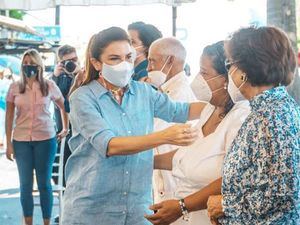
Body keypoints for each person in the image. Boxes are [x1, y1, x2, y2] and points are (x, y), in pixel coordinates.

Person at [62, 27, 209, 225]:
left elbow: (181, 110)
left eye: (129, 57)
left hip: (137, 210)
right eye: (114, 58)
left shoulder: (144, 92)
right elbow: (110, 145)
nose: (124, 64)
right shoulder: (83, 98)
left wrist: (221, 106)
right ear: (96, 63)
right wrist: (164, 136)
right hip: (93, 209)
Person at [145, 41, 250, 225]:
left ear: (227, 79)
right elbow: (188, 154)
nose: (197, 79)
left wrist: (182, 206)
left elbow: (233, 178)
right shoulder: (210, 108)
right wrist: (146, 163)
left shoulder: (241, 118)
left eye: (204, 73)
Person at [207, 26, 300, 224]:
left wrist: (225, 205)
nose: (228, 74)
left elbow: (282, 193)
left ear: (244, 72)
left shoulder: (272, 116)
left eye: (229, 65)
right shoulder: (267, 110)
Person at [5, 49, 68, 225]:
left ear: (38, 65)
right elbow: (9, 116)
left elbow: (63, 106)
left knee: (44, 184)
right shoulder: (15, 87)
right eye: (25, 64)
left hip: (46, 140)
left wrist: (65, 128)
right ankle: (28, 222)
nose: (28, 67)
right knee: (25, 185)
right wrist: (8, 143)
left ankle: (47, 222)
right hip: (21, 140)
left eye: (31, 63)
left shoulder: (49, 86)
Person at [145, 37, 197, 203]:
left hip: (174, 185)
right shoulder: (164, 92)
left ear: (171, 60)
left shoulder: (179, 95)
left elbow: (152, 131)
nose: (148, 68)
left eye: (152, 61)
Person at [51, 44, 84, 187]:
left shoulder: (84, 74)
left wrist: (78, 73)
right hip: (63, 130)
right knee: (60, 168)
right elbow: (50, 98)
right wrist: (55, 77)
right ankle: (66, 192)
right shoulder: (58, 78)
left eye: (75, 59)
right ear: (60, 63)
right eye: (67, 61)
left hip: (82, 129)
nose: (72, 63)